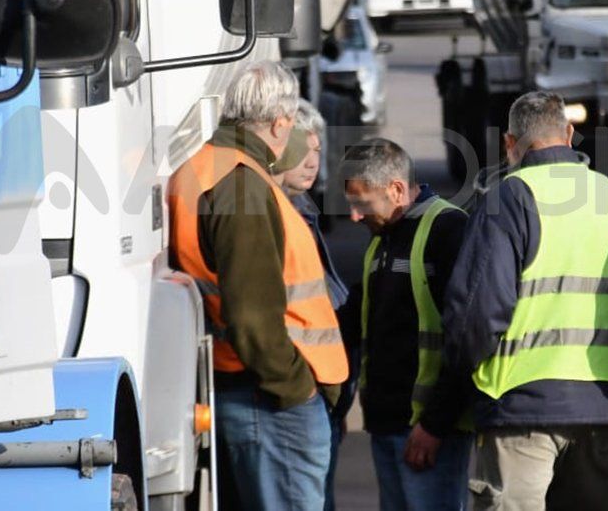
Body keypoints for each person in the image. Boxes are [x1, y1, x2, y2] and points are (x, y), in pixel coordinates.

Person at [442, 91, 608, 511]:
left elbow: (476, 313)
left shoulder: (509, 197)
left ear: (510, 143)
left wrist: (461, 376)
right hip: (603, 404)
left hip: (522, 406)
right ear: (570, 134)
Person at [167, 62, 348, 511]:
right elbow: (252, 315)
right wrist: (295, 388)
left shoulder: (201, 168)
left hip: (246, 389)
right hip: (272, 401)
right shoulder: (242, 183)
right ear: (280, 123)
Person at [341, 138, 472, 511]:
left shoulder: (448, 231)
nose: (354, 217)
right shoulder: (384, 238)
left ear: (396, 190)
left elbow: (465, 339)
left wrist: (434, 425)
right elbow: (355, 319)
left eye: (360, 202)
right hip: (388, 424)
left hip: (425, 432)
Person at [273, 100, 360, 511]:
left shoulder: (303, 210)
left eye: (318, 151)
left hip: (321, 393)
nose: (312, 162)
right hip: (305, 392)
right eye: (302, 150)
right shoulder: (282, 211)